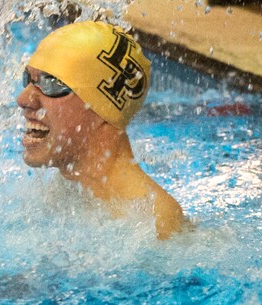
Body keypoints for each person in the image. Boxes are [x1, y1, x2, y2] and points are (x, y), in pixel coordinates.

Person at [17, 21, 185, 239]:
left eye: (52, 83)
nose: (23, 99)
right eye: (28, 79)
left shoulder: (153, 222)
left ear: (102, 107)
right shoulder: (66, 194)